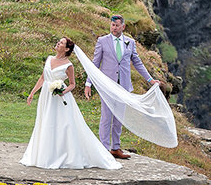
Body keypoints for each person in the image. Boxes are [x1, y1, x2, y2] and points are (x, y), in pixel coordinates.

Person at [21, 37, 120, 170]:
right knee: (44, 121)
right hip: (46, 96)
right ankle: (43, 154)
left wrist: (63, 91)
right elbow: (43, 77)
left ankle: (63, 155)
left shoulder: (68, 65)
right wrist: (32, 92)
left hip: (60, 98)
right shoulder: (49, 59)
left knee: (61, 125)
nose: (58, 43)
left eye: (62, 43)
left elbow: (72, 84)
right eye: (59, 41)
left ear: (67, 49)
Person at [89, 14, 162, 159]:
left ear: (123, 26)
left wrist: (150, 79)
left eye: (117, 25)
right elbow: (95, 63)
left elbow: (137, 63)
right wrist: (88, 83)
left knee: (119, 118)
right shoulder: (102, 41)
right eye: (112, 25)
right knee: (106, 117)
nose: (114, 28)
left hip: (123, 86)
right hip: (107, 85)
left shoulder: (130, 42)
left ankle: (115, 148)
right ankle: (104, 149)